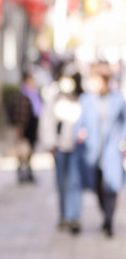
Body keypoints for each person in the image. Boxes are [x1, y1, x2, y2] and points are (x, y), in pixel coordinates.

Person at [77, 62, 126, 238]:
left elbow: (124, 121)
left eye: (94, 80)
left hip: (112, 149)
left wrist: (123, 140)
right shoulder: (86, 100)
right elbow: (79, 123)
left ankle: (109, 220)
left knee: (112, 185)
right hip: (93, 149)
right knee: (98, 185)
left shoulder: (118, 99)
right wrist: (80, 134)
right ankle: (104, 213)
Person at [39, 70, 84, 234]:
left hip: (75, 148)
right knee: (61, 182)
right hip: (59, 148)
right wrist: (51, 144)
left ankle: (74, 216)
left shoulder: (80, 99)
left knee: (75, 181)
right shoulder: (54, 100)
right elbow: (47, 123)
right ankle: (64, 215)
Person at [10, 71, 42, 183]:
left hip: (32, 127)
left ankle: (28, 173)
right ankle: (22, 174)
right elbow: (19, 113)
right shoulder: (23, 95)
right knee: (22, 152)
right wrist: (19, 128)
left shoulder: (34, 94)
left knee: (29, 152)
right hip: (25, 127)